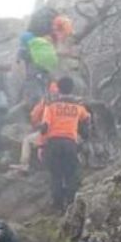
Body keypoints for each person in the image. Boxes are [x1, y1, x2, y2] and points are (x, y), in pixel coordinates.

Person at [36, 76, 90, 210]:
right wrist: (83, 136)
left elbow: (44, 127)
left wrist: (41, 146)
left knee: (56, 175)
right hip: (70, 143)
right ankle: (71, 205)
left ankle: (57, 205)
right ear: (72, 89)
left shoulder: (51, 106)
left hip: (53, 143)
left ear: (58, 89)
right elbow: (87, 118)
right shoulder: (78, 106)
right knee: (71, 174)